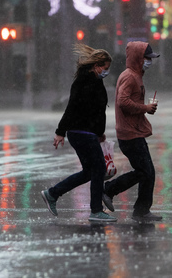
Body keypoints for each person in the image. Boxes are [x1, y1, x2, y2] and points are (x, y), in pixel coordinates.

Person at [40, 43, 117, 223]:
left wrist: (100, 133)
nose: (106, 71)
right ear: (96, 65)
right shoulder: (84, 81)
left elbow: (97, 111)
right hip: (81, 132)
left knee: (90, 172)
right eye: (105, 68)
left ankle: (52, 193)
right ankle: (96, 210)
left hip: (88, 132)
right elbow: (72, 107)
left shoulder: (95, 80)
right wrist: (60, 132)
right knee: (98, 169)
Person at [102, 41, 163, 223]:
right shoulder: (130, 77)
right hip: (129, 134)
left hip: (133, 131)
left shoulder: (135, 75)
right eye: (147, 58)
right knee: (145, 171)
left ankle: (142, 210)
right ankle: (110, 190)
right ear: (138, 58)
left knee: (147, 172)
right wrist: (145, 108)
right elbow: (123, 101)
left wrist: (145, 109)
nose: (149, 62)